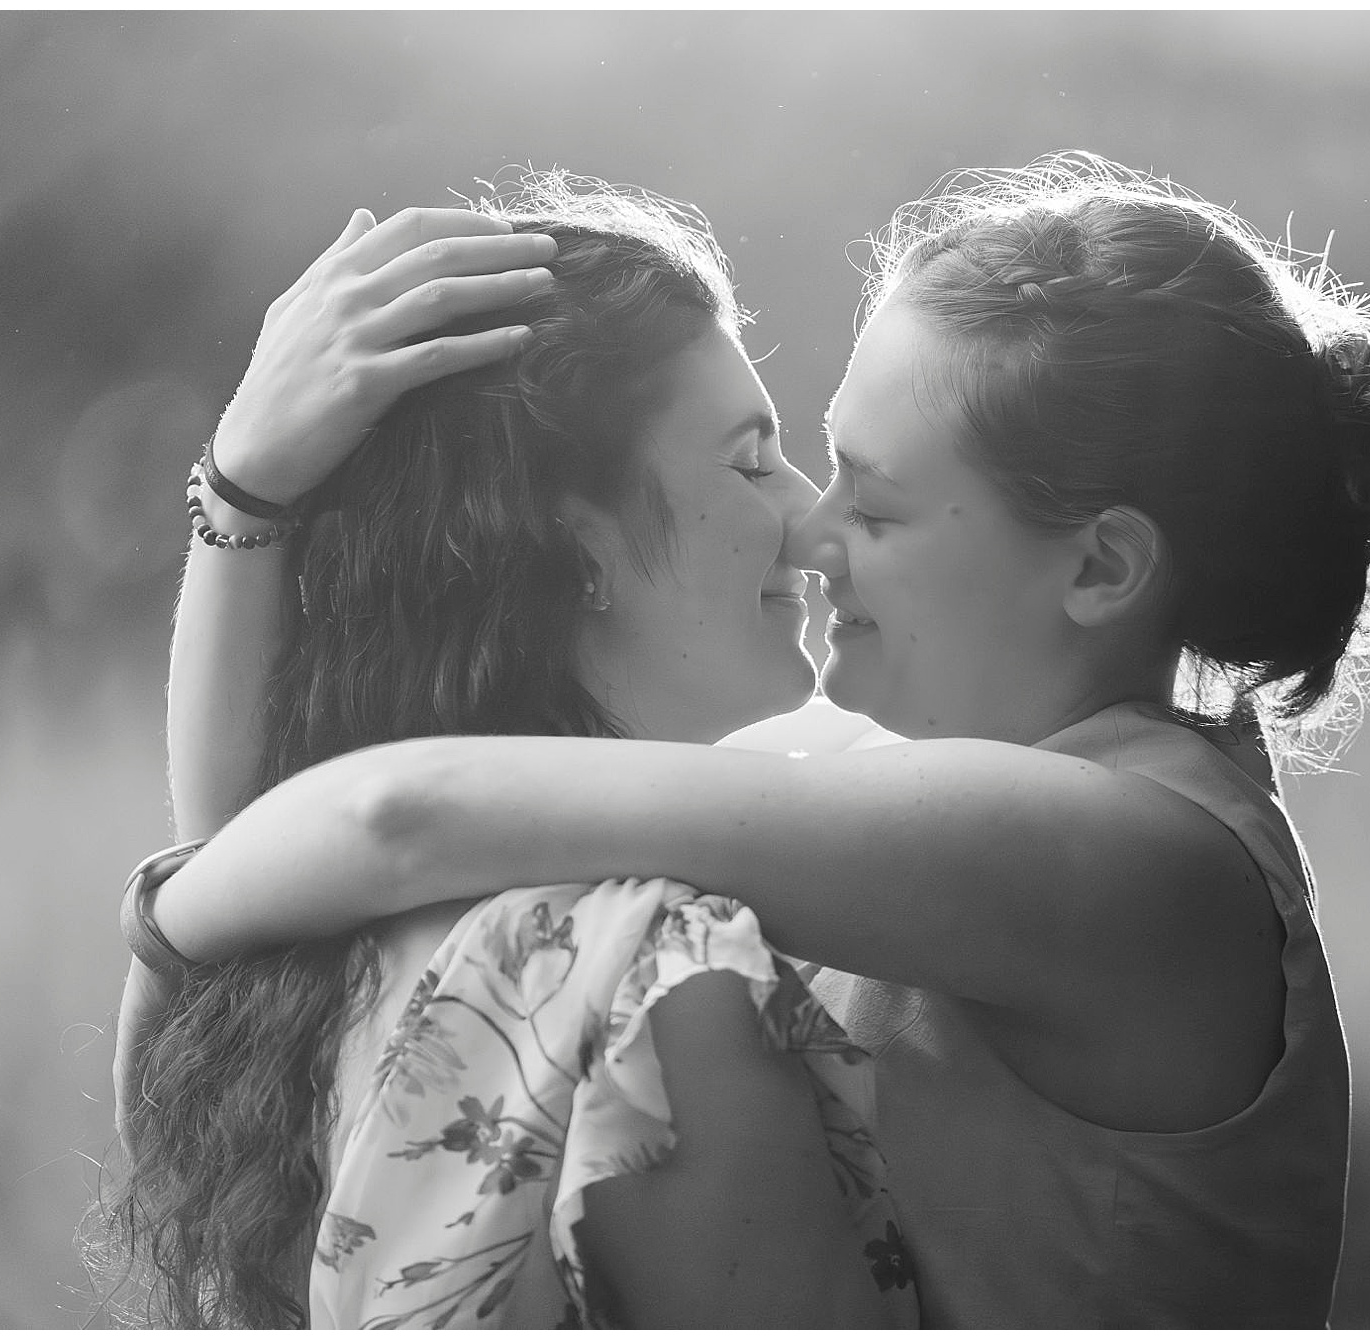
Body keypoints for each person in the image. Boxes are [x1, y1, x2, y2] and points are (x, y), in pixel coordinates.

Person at [125, 152, 1370, 1326]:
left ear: (1100, 569)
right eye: (789, 462)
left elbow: (391, 823)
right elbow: (309, 851)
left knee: (634, 965)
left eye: (870, 503)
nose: (809, 532)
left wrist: (169, 928)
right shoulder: (889, 791)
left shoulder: (1137, 856)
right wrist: (247, 494)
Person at [99, 174, 910, 1329]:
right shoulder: (657, 982)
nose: (814, 515)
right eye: (748, 460)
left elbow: (258, 832)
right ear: (565, 546)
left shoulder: (262, 1001)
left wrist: (246, 495)